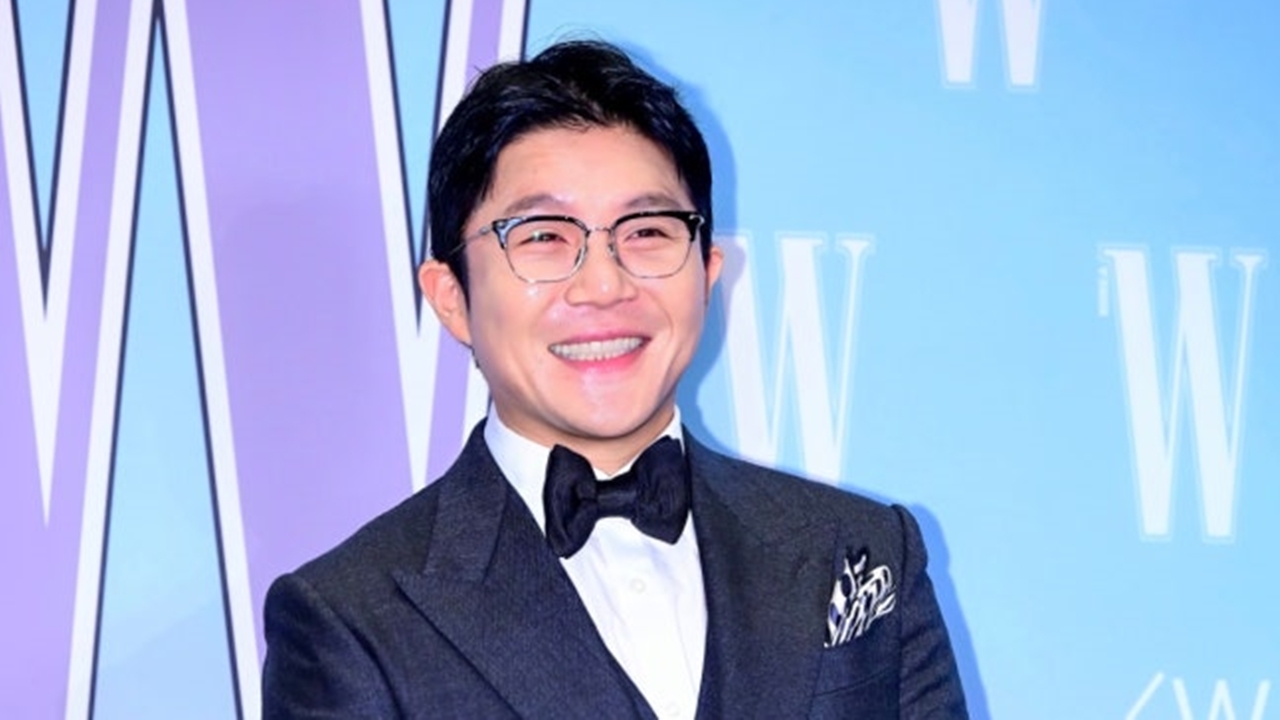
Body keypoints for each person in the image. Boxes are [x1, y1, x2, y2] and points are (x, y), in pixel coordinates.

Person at [262, 39, 968, 719]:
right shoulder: (350, 620)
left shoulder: (862, 548)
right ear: (451, 298)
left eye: (647, 231)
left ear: (708, 275)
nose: (604, 285)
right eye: (544, 237)